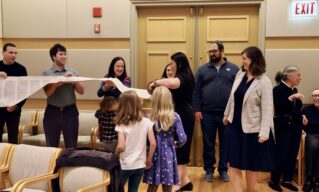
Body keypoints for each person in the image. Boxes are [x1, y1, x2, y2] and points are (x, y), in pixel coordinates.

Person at [223, 46, 275, 192]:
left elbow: (267, 110)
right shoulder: (240, 74)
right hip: (234, 127)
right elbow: (232, 97)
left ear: (254, 60)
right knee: (233, 164)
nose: (242, 61)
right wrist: (227, 113)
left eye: (245, 58)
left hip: (252, 130)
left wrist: (264, 133)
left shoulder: (264, 82)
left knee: (251, 165)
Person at [192, 40, 239, 182]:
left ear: (222, 51)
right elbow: (196, 91)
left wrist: (234, 112)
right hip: (207, 113)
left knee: (226, 143)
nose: (211, 54)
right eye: (210, 51)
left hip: (226, 114)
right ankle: (209, 169)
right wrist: (197, 109)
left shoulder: (234, 69)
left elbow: (238, 92)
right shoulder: (202, 70)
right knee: (208, 143)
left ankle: (223, 169)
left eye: (214, 51)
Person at [148, 52, 195, 192]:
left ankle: (176, 184)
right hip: (177, 114)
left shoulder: (183, 77)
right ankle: (185, 180)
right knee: (180, 150)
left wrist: (155, 82)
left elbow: (172, 83)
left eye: (172, 64)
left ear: (179, 64)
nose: (171, 66)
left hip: (183, 115)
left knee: (180, 150)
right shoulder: (179, 76)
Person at [143, 86, 187, 192]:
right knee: (167, 186)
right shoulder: (175, 117)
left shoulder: (149, 117)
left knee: (152, 185)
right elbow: (183, 138)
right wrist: (175, 144)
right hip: (169, 153)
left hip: (153, 153)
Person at [42, 43, 84, 148]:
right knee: (51, 146)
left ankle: (69, 164)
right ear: (53, 56)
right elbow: (48, 93)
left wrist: (74, 79)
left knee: (71, 145)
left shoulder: (73, 71)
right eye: (61, 54)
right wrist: (56, 84)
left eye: (65, 54)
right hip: (52, 112)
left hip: (70, 112)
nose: (64, 56)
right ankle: (53, 164)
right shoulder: (46, 73)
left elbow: (81, 91)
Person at [269, 65, 303, 192]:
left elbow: (295, 109)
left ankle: (287, 180)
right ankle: (274, 180)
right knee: (281, 154)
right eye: (298, 75)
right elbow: (280, 107)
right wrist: (291, 98)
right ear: (290, 76)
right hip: (284, 127)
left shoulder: (294, 90)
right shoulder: (277, 90)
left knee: (292, 154)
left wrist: (302, 115)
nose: (300, 78)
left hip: (296, 127)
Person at [115, 90, 156, 192]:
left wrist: (114, 155)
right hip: (140, 165)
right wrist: (149, 159)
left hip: (125, 165)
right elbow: (153, 144)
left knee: (117, 189)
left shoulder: (121, 124)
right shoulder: (147, 122)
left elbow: (121, 146)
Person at [0, 43, 28, 144]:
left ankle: (11, 159)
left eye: (15, 53)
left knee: (13, 139)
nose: (14, 55)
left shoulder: (21, 69)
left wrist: (16, 106)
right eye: (11, 52)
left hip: (14, 110)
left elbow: (25, 91)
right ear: (3, 53)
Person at [302, 89, 319, 192]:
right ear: (312, 97)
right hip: (311, 135)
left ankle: (317, 180)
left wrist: (311, 124)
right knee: (314, 145)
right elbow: (301, 125)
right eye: (315, 95)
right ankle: (309, 178)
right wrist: (304, 124)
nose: (317, 98)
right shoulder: (306, 110)